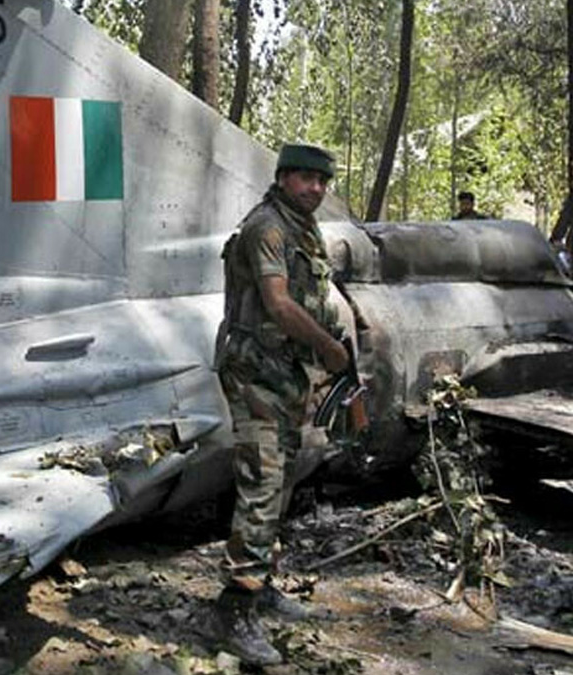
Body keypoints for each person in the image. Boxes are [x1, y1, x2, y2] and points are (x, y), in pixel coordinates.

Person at [212, 143, 349, 666]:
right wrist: (328, 347)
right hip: (255, 372)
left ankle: (261, 584)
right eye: (305, 179)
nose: (315, 188)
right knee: (264, 483)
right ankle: (234, 611)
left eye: (322, 181)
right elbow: (279, 303)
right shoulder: (267, 227)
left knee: (282, 478)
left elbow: (310, 295)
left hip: (284, 371)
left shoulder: (301, 226)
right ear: (284, 177)